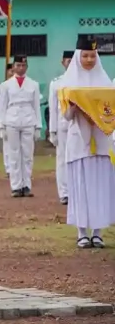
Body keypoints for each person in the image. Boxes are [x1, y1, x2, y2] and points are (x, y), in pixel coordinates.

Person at [60, 36, 113, 249]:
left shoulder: (105, 82)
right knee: (80, 186)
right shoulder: (68, 82)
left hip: (101, 141)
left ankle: (98, 232)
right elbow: (65, 116)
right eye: (85, 55)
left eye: (92, 55)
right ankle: (82, 231)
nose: (89, 59)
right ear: (78, 56)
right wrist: (74, 106)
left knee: (100, 186)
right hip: (79, 142)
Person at [0, 55, 41, 197]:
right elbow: (2, 107)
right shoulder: (5, 85)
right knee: (14, 154)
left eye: (23, 65)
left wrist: (38, 127)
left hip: (29, 119)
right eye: (18, 65)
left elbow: (36, 106)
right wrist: (1, 126)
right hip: (11, 120)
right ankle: (16, 186)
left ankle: (26, 185)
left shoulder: (33, 84)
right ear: (13, 67)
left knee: (27, 155)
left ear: (26, 67)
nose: (21, 68)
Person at [48, 50, 74, 204]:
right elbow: (53, 108)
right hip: (63, 125)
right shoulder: (57, 83)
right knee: (63, 159)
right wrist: (52, 130)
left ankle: (76, 191)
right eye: (67, 61)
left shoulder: (82, 81)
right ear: (63, 62)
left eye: (73, 60)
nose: (70, 63)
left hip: (79, 126)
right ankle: (64, 192)